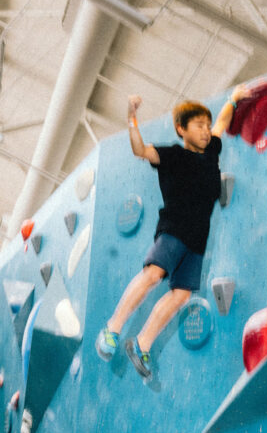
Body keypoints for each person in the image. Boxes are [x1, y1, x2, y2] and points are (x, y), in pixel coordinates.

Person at [96, 84, 251, 379]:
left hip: (197, 239)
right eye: (199, 126)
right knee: (153, 275)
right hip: (173, 230)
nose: (206, 131)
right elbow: (140, 150)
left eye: (207, 125)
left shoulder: (212, 152)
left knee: (180, 295)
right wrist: (131, 117)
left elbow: (221, 122)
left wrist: (232, 99)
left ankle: (141, 344)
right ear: (181, 129)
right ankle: (112, 329)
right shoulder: (172, 156)